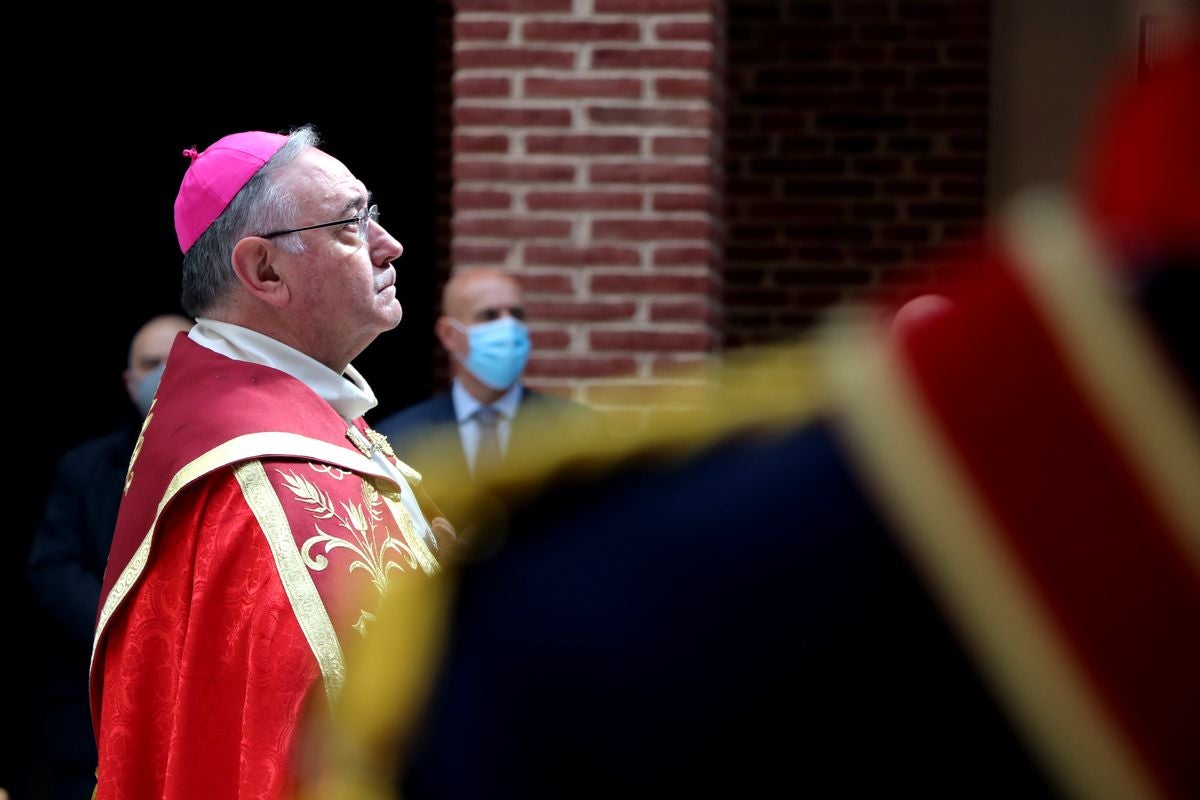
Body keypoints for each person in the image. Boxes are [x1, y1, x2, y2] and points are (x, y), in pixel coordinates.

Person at [296, 31, 1200, 800]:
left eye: (517, 320)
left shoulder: (568, 580)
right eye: (489, 322)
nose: (508, 336)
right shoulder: (404, 452)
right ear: (451, 336)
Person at [89, 126, 455, 800]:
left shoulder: (276, 419)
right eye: (352, 223)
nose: (389, 243)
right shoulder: (259, 482)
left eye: (374, 212)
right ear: (264, 272)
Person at [26, 313, 191, 800]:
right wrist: (133, 626)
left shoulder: (243, 458)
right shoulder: (85, 468)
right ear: (129, 380)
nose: (164, 373)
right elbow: (51, 568)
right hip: (99, 701)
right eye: (152, 363)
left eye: (177, 360)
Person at [372, 267, 603, 491]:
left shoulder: (581, 428)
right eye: (489, 315)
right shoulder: (400, 438)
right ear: (449, 334)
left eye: (517, 315)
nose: (508, 326)